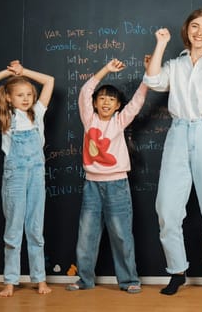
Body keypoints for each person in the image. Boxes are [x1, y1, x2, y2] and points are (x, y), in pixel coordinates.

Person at [143, 8, 202, 295]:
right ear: (187, 30)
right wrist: (160, 43)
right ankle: (177, 271)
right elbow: (154, 81)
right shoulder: (176, 64)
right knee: (166, 209)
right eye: (195, 26)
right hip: (178, 133)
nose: (199, 32)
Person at [66, 58, 148, 294]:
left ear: (117, 106)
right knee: (86, 235)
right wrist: (105, 70)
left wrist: (147, 77)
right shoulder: (88, 119)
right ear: (94, 103)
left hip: (117, 184)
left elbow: (137, 102)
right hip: (92, 184)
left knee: (121, 234)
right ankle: (85, 279)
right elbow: (85, 91)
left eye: (111, 100)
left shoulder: (119, 122)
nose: (105, 102)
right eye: (101, 98)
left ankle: (129, 280)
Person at [0, 60, 54, 297]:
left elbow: (49, 81)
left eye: (29, 94)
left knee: (35, 229)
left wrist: (23, 72)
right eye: (20, 94)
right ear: (9, 98)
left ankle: (40, 279)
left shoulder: (38, 113)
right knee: (13, 229)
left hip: (36, 176)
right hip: (16, 177)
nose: (26, 98)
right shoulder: (4, 116)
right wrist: (8, 73)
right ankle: (10, 281)